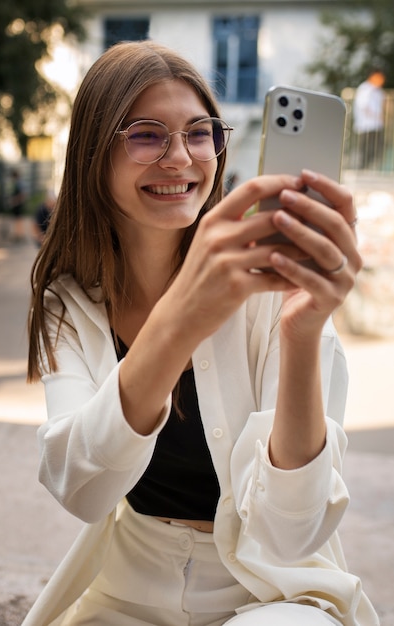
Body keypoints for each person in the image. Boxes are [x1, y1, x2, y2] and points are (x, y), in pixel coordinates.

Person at [23, 41, 379, 626]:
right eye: (145, 135)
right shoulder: (70, 300)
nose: (181, 158)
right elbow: (83, 490)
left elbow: (290, 534)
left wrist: (302, 332)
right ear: (93, 153)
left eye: (198, 133)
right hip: (127, 592)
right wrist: (182, 317)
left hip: (273, 595)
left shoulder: (271, 289)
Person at [353, 68, 386, 169]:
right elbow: (363, 105)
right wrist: (376, 115)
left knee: (375, 150)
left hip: (376, 125)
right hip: (366, 125)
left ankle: (370, 169)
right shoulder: (365, 89)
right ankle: (362, 170)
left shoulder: (379, 91)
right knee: (366, 150)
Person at [8, 168, 27, 242]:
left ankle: (19, 235)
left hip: (18, 204)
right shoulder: (18, 183)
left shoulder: (19, 183)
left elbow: (22, 194)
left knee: (18, 220)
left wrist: (15, 200)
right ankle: (18, 234)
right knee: (17, 219)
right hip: (17, 204)